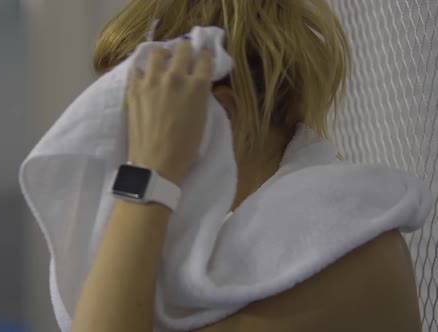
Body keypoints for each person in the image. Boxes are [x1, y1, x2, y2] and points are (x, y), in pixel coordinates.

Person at [70, 1, 422, 331]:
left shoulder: (341, 248)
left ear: (217, 117)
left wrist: (150, 170)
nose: (120, 147)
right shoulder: (234, 244)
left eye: (134, 117)